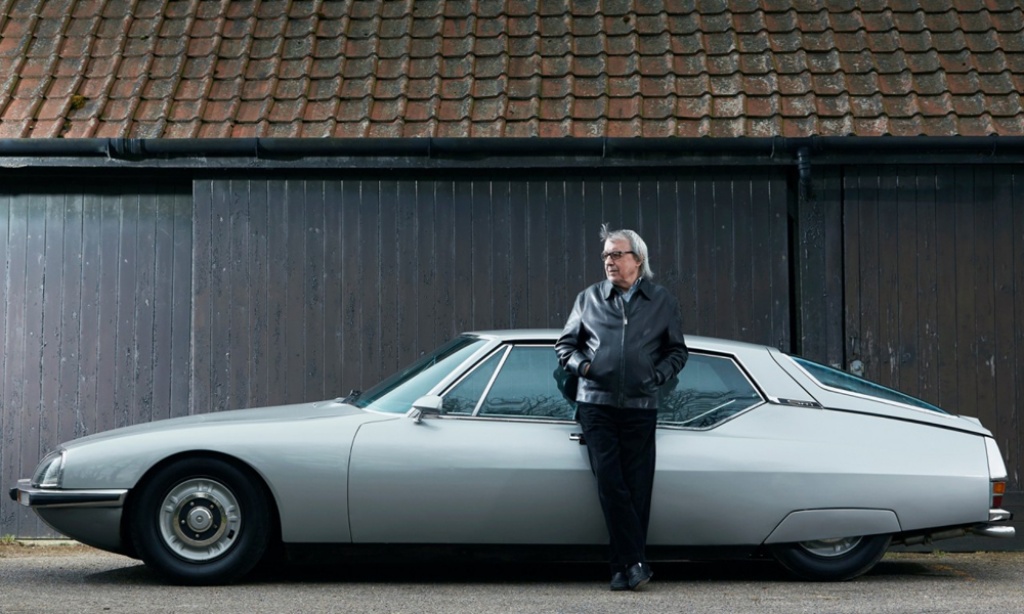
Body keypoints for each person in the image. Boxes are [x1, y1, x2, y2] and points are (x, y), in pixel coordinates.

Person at [555, 224, 689, 591]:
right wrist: (585, 367)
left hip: (641, 405)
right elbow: (565, 345)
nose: (609, 262)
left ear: (638, 259)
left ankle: (622, 569)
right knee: (611, 484)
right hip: (596, 404)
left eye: (616, 254)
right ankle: (636, 561)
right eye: (605, 256)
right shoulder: (589, 298)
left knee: (638, 487)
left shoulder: (662, 301)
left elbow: (677, 351)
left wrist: (657, 376)